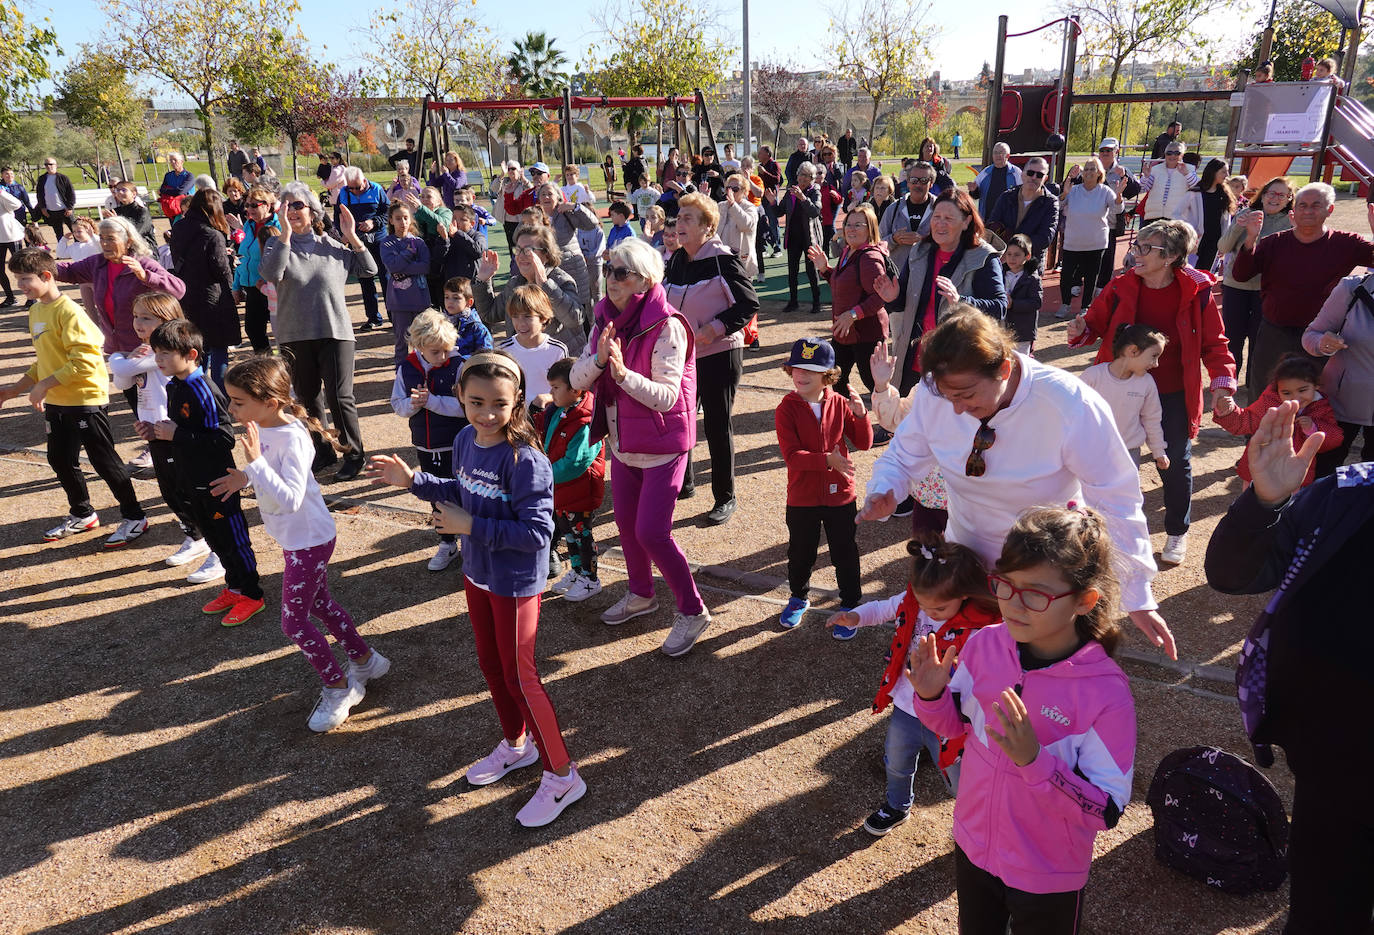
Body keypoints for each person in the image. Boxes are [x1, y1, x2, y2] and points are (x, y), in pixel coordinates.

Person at [864, 308, 1176, 658]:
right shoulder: (936, 392)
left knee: (1031, 675)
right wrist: (885, 489)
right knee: (963, 674)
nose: (955, 409)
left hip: (1042, 576)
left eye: (966, 395)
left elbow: (1116, 497)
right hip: (965, 565)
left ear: (1005, 368)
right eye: (947, 396)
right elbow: (904, 455)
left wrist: (1137, 593)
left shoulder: (1069, 402)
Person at [369, 351, 587, 827]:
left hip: (513, 584)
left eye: (498, 404)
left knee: (521, 679)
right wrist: (414, 481)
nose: (487, 414)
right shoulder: (466, 437)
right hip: (477, 574)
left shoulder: (526, 461)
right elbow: (461, 488)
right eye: (476, 402)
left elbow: (537, 534)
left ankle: (564, 774)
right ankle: (516, 745)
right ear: (461, 400)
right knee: (491, 667)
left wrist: (472, 525)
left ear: (518, 402)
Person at [911, 506, 1135, 934]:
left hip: (1047, 873)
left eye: (1035, 593)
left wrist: (1034, 762)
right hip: (974, 846)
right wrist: (931, 695)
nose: (1013, 604)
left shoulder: (1105, 694)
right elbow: (955, 727)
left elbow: (1104, 809)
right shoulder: (985, 646)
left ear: (1086, 600)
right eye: (1006, 585)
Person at [1204, 401, 1374, 935]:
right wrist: (1264, 501)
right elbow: (1232, 574)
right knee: (1324, 908)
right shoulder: (1348, 499)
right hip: (1338, 763)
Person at [211, 355, 389, 730]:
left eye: (238, 401)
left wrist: (254, 464)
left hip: (309, 541)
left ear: (270, 402)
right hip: (298, 539)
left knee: (294, 624)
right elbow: (270, 478)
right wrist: (245, 476)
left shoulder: (290, 437)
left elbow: (290, 498)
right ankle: (366, 660)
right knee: (321, 604)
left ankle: (339, 689)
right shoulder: (267, 430)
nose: (230, 408)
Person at [569, 238, 711, 657]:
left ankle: (693, 609)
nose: (610, 279)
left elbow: (667, 398)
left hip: (664, 445)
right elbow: (578, 379)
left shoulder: (667, 325)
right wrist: (598, 361)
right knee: (627, 528)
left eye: (620, 273)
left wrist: (621, 372)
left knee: (652, 531)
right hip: (623, 443)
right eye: (609, 269)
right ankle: (641, 593)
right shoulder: (604, 321)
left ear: (645, 281)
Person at [1068, 219, 1236, 566]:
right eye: (1137, 246)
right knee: (1108, 460)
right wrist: (1081, 326)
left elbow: (1215, 344)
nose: (1136, 254)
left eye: (1147, 248)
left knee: (1173, 462)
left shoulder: (1196, 290)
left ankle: (1177, 531)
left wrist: (1222, 385)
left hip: (1172, 390)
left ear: (1172, 256)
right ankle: (1099, 531)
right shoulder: (1121, 285)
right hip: (1119, 389)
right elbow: (1095, 324)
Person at [829, 540, 1000, 833]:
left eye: (940, 607)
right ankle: (897, 805)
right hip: (906, 706)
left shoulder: (978, 631)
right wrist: (855, 616)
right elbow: (885, 607)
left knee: (957, 775)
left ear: (963, 594)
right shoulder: (914, 603)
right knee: (896, 760)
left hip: (948, 716)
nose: (930, 612)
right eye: (923, 604)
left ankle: (973, 820)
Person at [0, 248, 147, 547]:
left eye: (25, 278)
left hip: (84, 399)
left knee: (104, 460)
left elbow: (83, 362)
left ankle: (135, 517)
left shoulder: (70, 312)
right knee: (60, 459)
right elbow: (45, 360)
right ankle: (83, 514)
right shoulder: (37, 310)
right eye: (17, 279)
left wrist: (43, 386)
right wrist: (15, 389)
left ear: (46, 276)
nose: (20, 286)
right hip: (58, 400)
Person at [149, 319, 265, 625]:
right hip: (193, 481)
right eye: (155, 353)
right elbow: (183, 432)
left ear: (190, 354)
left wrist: (177, 435)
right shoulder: (175, 385)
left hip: (217, 483)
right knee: (214, 539)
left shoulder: (204, 389)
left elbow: (223, 438)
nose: (157, 359)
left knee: (233, 539)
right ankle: (235, 586)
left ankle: (252, 594)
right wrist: (156, 433)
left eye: (164, 353)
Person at [258, 182, 375, 481]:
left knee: (339, 396)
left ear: (312, 211)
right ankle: (322, 450)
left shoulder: (332, 246)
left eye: (298, 205)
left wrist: (351, 236)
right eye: (286, 206)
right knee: (308, 399)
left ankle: (353, 454)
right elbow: (272, 274)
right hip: (294, 335)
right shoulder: (275, 244)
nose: (292, 211)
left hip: (335, 332)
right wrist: (284, 234)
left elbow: (369, 270)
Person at [108, 292, 221, 581]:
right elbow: (122, 381)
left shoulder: (162, 355)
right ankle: (195, 538)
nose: (138, 323)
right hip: (155, 433)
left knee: (193, 492)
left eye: (147, 317)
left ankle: (219, 550)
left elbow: (118, 369)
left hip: (177, 432)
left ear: (168, 321)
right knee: (171, 492)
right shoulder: (144, 353)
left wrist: (121, 357)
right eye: (135, 316)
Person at [663, 192, 760, 523]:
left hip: (719, 353)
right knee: (682, 420)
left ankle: (725, 497)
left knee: (717, 425)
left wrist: (714, 328)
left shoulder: (723, 259)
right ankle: (685, 483)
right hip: (683, 357)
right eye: (679, 217)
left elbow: (748, 305)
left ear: (708, 226)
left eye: (689, 218)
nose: (680, 224)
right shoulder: (676, 260)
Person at [1230, 181, 1374, 394]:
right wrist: (1250, 239)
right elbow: (1240, 275)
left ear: (1330, 210)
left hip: (1320, 336)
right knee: (1265, 391)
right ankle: (1258, 429)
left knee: (1315, 396)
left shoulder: (1347, 243)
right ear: (1294, 210)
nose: (1307, 211)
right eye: (1302, 205)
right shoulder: (1273, 243)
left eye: (1316, 205)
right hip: (1274, 332)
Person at [775, 337, 873, 632]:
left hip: (840, 495)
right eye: (796, 368)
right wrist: (827, 460)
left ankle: (851, 604)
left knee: (845, 551)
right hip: (802, 496)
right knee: (800, 551)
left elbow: (865, 442)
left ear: (827, 375)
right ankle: (798, 597)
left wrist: (861, 414)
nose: (801, 375)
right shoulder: (786, 408)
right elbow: (792, 457)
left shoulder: (840, 403)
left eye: (810, 369)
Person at [889, 189, 1006, 396]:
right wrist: (890, 297)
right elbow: (903, 304)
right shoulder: (919, 251)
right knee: (909, 422)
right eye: (936, 217)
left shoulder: (984, 257)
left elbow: (999, 308)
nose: (940, 223)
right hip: (916, 361)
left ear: (966, 221)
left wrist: (960, 301)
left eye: (948, 218)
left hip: (958, 363)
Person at [57, 217, 187, 377]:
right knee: (130, 392)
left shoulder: (143, 263)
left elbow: (178, 289)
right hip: (116, 347)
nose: (104, 243)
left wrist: (145, 276)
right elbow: (69, 271)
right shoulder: (98, 263)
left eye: (110, 238)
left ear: (128, 241)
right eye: (102, 238)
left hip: (146, 349)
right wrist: (37, 263)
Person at [390, 310, 466, 572]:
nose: (443, 356)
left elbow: (465, 407)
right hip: (425, 445)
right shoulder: (406, 368)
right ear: (419, 346)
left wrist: (432, 401)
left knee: (463, 492)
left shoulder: (459, 366)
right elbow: (397, 405)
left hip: (457, 444)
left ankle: (469, 538)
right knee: (436, 495)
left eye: (446, 350)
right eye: (436, 352)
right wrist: (413, 405)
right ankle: (447, 542)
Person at [1213, 353, 1340, 488]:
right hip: (1261, 467)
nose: (1295, 397)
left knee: (1290, 506)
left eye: (1302, 390)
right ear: (1277, 389)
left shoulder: (1321, 407)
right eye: (1286, 393)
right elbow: (1245, 422)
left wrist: (1313, 428)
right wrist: (1227, 411)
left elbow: (1335, 439)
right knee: (1252, 505)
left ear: (1316, 386)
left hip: (1295, 472)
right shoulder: (1271, 403)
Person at [537, 356, 606, 602]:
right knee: (569, 534)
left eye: (555, 387)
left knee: (583, 535)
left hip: (580, 490)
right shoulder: (562, 410)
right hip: (563, 491)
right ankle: (577, 572)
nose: (551, 392)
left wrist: (543, 474)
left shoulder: (586, 421)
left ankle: (591, 579)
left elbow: (576, 463)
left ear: (575, 389)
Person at [1216, 178, 1293, 387]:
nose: (1274, 198)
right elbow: (1223, 247)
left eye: (1281, 195)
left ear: (1289, 199)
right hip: (1235, 285)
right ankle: (1229, 380)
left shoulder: (1291, 222)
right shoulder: (1246, 214)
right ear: (1263, 194)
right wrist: (1237, 228)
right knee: (1233, 336)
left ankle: (1254, 383)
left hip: (1267, 289)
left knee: (1260, 339)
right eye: (1271, 193)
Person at [806, 204, 888, 400]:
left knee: (875, 384)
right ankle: (847, 419)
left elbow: (880, 296)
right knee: (834, 379)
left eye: (858, 225)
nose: (851, 229)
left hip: (865, 334)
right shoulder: (849, 251)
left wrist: (853, 314)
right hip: (844, 331)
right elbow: (844, 285)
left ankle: (893, 425)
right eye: (848, 224)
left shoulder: (869, 258)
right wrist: (826, 269)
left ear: (870, 229)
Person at [472, 224, 585, 353]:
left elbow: (574, 319)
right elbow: (489, 314)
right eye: (518, 249)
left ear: (546, 255)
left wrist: (545, 284)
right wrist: (483, 281)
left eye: (528, 250)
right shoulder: (515, 283)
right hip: (525, 358)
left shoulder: (561, 281)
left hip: (558, 364)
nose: (520, 256)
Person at [1305, 271, 1374, 476]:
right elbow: (1311, 335)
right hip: (1340, 405)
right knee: (1323, 474)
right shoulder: (1351, 289)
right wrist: (1323, 344)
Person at [169, 189, 238, 390]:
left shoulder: (179, 226)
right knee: (218, 346)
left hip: (186, 294)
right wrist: (231, 262)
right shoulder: (212, 234)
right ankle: (218, 393)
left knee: (196, 347)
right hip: (212, 297)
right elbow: (220, 269)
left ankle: (198, 388)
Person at [1079, 324, 1169, 474]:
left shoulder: (1147, 383)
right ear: (1133, 351)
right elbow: (1073, 410)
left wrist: (1159, 451)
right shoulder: (1093, 376)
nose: (1156, 364)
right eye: (1154, 356)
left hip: (1128, 452)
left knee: (1124, 496)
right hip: (1092, 450)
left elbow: (1152, 419)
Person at [1057, 157, 1125, 317]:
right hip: (1072, 242)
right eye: (1086, 169)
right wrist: (1064, 194)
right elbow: (1059, 206)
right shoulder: (1074, 190)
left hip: (1096, 242)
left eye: (1092, 169)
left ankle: (1085, 306)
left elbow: (1116, 209)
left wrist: (1119, 196)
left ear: (1099, 173)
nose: (1088, 172)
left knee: (1091, 276)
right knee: (1066, 275)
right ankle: (1065, 304)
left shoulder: (1105, 191)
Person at [334, 167, 391, 332]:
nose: (355, 191)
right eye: (351, 188)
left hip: (378, 238)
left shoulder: (377, 190)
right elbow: (338, 217)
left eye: (357, 187)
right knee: (365, 278)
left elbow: (387, 212)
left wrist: (374, 222)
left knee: (385, 277)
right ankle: (373, 318)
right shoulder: (343, 194)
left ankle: (393, 316)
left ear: (365, 181)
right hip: (357, 240)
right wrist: (342, 233)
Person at [498, 285, 570, 413]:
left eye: (527, 316)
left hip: (548, 416)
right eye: (515, 316)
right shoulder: (503, 351)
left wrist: (547, 398)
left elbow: (566, 390)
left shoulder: (557, 350)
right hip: (515, 420)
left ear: (543, 317)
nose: (521, 323)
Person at [379, 202, 432, 367]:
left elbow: (425, 266)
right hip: (399, 302)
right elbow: (392, 266)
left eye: (406, 218)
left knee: (423, 342)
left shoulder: (419, 242)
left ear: (411, 220)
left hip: (420, 300)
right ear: (391, 221)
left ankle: (425, 372)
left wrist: (402, 265)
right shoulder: (386, 243)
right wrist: (408, 253)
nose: (402, 222)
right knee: (401, 342)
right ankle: (401, 375)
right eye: (398, 218)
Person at [232, 185, 279, 354]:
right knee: (253, 329)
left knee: (281, 333)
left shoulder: (278, 226)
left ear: (267, 205)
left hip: (272, 289)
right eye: (247, 205)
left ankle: (290, 369)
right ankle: (267, 364)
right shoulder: (249, 225)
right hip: (251, 287)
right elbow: (242, 256)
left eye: (254, 205)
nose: (249, 209)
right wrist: (236, 286)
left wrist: (269, 285)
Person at [1091, 138, 1142, 290]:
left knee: (1107, 256)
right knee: (1088, 254)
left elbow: (1134, 191)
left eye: (1109, 150)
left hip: (1111, 221)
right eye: (1102, 150)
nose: (1105, 153)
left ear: (1116, 152)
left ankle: (1102, 286)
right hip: (1091, 219)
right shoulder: (1092, 168)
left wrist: (1126, 175)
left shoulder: (1122, 170)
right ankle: (1081, 282)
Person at [986, 156, 1059, 260]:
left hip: (1030, 263)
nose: (1033, 177)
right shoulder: (1007, 197)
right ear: (1023, 174)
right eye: (1030, 173)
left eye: (1039, 175)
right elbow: (992, 225)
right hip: (1002, 260)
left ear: (1045, 178)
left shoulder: (1050, 203)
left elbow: (1044, 238)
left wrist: (1014, 252)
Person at [879, 161, 937, 278]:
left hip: (929, 279)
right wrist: (894, 239)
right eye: (914, 180)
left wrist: (924, 240)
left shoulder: (940, 209)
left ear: (931, 183)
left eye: (924, 180)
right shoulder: (893, 209)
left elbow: (952, 244)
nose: (918, 185)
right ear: (908, 182)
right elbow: (878, 244)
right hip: (897, 278)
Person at [781, 162, 824, 314]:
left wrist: (803, 198)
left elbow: (815, 212)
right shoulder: (790, 191)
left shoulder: (815, 192)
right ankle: (793, 302)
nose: (804, 178)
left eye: (808, 176)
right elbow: (779, 211)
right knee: (792, 270)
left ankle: (816, 302)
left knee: (811, 270)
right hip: (793, 237)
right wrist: (772, 201)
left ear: (812, 179)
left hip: (809, 237)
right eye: (801, 174)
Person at [1190, 158, 1235, 272]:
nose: (1227, 175)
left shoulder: (1224, 194)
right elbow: (1179, 213)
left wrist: (1224, 242)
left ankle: (1203, 290)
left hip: (1214, 239)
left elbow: (1226, 221)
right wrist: (1189, 231)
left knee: (1206, 271)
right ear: (1213, 172)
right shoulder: (1196, 191)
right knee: (1190, 269)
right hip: (1196, 238)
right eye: (1223, 172)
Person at [1138, 141, 1199, 225]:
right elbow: (1142, 189)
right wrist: (1146, 177)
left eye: (1176, 153)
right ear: (1165, 154)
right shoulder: (1155, 169)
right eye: (1169, 153)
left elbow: (1198, 189)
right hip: (1153, 218)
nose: (1172, 156)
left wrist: (1187, 175)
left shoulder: (1189, 169)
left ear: (1182, 155)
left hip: (1177, 219)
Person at [1000, 234, 1042, 354]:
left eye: (1017, 255)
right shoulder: (999, 274)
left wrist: (1014, 304)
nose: (1012, 258)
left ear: (1027, 256)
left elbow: (1036, 302)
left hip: (1022, 332)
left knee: (1020, 364)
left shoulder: (1032, 278)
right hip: (1001, 329)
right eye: (1009, 254)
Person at [716, 174, 759, 281]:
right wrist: (704, 197)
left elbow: (746, 225)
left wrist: (733, 205)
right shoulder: (721, 206)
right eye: (728, 188)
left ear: (745, 192)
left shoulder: (750, 207)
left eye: (735, 189)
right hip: (722, 261)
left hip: (742, 261)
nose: (731, 192)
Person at [968, 143, 1022, 221]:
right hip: (987, 220)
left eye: (1001, 153)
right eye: (995, 152)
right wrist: (973, 190)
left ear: (1007, 156)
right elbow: (975, 196)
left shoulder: (1016, 173)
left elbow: (1023, 195)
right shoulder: (985, 172)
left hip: (1009, 222)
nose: (997, 155)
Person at [441, 276, 493, 357]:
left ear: (469, 302)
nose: (450, 301)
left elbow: (486, 353)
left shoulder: (476, 327)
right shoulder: (440, 323)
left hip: (468, 367)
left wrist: (462, 360)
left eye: (456, 298)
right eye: (447, 297)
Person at [37, 157, 77, 243]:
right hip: (52, 211)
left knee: (75, 230)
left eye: (50, 164)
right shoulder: (42, 179)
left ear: (56, 165)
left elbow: (71, 193)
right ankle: (62, 251)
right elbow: (39, 195)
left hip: (65, 210)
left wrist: (69, 207)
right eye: (46, 164)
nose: (48, 166)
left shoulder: (63, 178)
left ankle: (79, 249)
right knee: (58, 233)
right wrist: (43, 208)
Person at [0, 174, 25, 308]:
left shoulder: (2, 193)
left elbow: (17, 204)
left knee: (21, 267)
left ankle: (31, 298)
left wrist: (1, 193)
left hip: (11, 236)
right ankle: (10, 297)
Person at [757, 146, 783, 256]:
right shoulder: (761, 166)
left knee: (773, 222)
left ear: (767, 154)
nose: (758, 155)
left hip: (771, 198)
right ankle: (765, 247)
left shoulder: (774, 164)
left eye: (760, 153)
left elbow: (777, 180)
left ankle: (778, 248)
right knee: (762, 221)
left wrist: (764, 173)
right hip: (762, 197)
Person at [158, 152, 194, 222]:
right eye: (171, 160)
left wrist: (166, 191)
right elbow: (161, 190)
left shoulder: (189, 176)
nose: (173, 162)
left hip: (186, 209)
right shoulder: (168, 176)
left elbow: (180, 191)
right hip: (171, 208)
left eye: (175, 160)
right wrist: (166, 191)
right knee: (174, 230)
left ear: (182, 161)